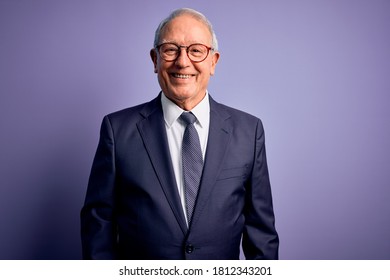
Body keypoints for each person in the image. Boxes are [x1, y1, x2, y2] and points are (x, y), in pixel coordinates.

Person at [81, 7, 279, 260]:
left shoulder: (249, 132)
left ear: (213, 61)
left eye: (196, 50)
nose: (183, 61)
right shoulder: (117, 130)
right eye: (171, 49)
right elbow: (98, 225)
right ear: (155, 60)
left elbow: (262, 235)